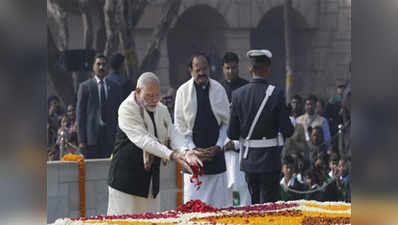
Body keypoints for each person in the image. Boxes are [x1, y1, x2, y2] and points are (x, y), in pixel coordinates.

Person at [107, 72, 202, 215]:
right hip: (125, 181)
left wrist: (186, 151)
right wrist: (172, 155)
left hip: (150, 181)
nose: (155, 100)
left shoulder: (161, 109)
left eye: (157, 95)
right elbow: (144, 140)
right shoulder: (127, 108)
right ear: (138, 91)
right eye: (150, 95)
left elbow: (172, 132)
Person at [227, 49, 294, 204]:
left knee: (254, 205)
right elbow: (288, 130)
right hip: (270, 159)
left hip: (249, 159)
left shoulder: (237, 95)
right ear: (267, 69)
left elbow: (232, 133)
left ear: (250, 69)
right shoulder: (276, 94)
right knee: (269, 206)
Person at [174, 52, 232, 208]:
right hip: (193, 161)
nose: (201, 73)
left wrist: (219, 146)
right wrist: (193, 150)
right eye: (197, 69)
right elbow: (179, 127)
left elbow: (227, 123)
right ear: (190, 71)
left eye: (204, 69)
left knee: (220, 208)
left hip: (217, 159)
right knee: (194, 211)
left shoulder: (219, 89)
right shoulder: (182, 92)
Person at [76, 54, 123, 159]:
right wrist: (81, 141)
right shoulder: (85, 87)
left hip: (110, 139)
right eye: (98, 64)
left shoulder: (115, 87)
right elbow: (80, 115)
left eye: (104, 64)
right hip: (91, 140)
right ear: (93, 67)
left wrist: (119, 138)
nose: (101, 67)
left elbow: (120, 114)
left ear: (108, 67)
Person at [220, 52, 251, 206]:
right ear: (222, 69)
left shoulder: (246, 88)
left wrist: (237, 143)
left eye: (233, 68)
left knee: (241, 187)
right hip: (221, 145)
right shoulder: (216, 89)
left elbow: (250, 121)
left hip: (241, 145)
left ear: (238, 67)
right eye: (227, 68)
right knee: (224, 189)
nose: (230, 71)